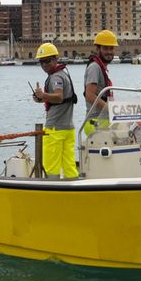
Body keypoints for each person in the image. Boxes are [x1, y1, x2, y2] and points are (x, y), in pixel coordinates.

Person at [32, 42, 79, 179]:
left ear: (55, 59)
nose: (44, 65)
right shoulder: (63, 74)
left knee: (51, 166)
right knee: (69, 165)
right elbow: (61, 99)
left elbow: (59, 97)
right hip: (68, 128)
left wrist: (43, 95)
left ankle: (52, 191)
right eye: (41, 62)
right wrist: (41, 99)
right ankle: (73, 190)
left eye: (47, 61)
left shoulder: (56, 77)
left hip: (55, 129)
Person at [83, 29, 117, 136]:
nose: (109, 52)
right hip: (96, 123)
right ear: (98, 49)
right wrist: (111, 109)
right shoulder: (95, 67)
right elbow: (90, 95)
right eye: (105, 48)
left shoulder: (101, 68)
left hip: (103, 121)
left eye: (111, 48)